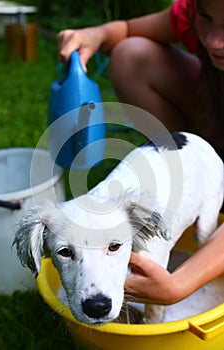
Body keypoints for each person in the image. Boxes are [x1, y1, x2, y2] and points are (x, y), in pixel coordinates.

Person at [57, 0, 224, 304]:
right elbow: (127, 30)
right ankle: (189, 169)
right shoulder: (197, 12)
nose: (214, 40)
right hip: (214, 113)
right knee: (130, 54)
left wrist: (178, 285)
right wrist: (97, 34)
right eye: (206, 17)